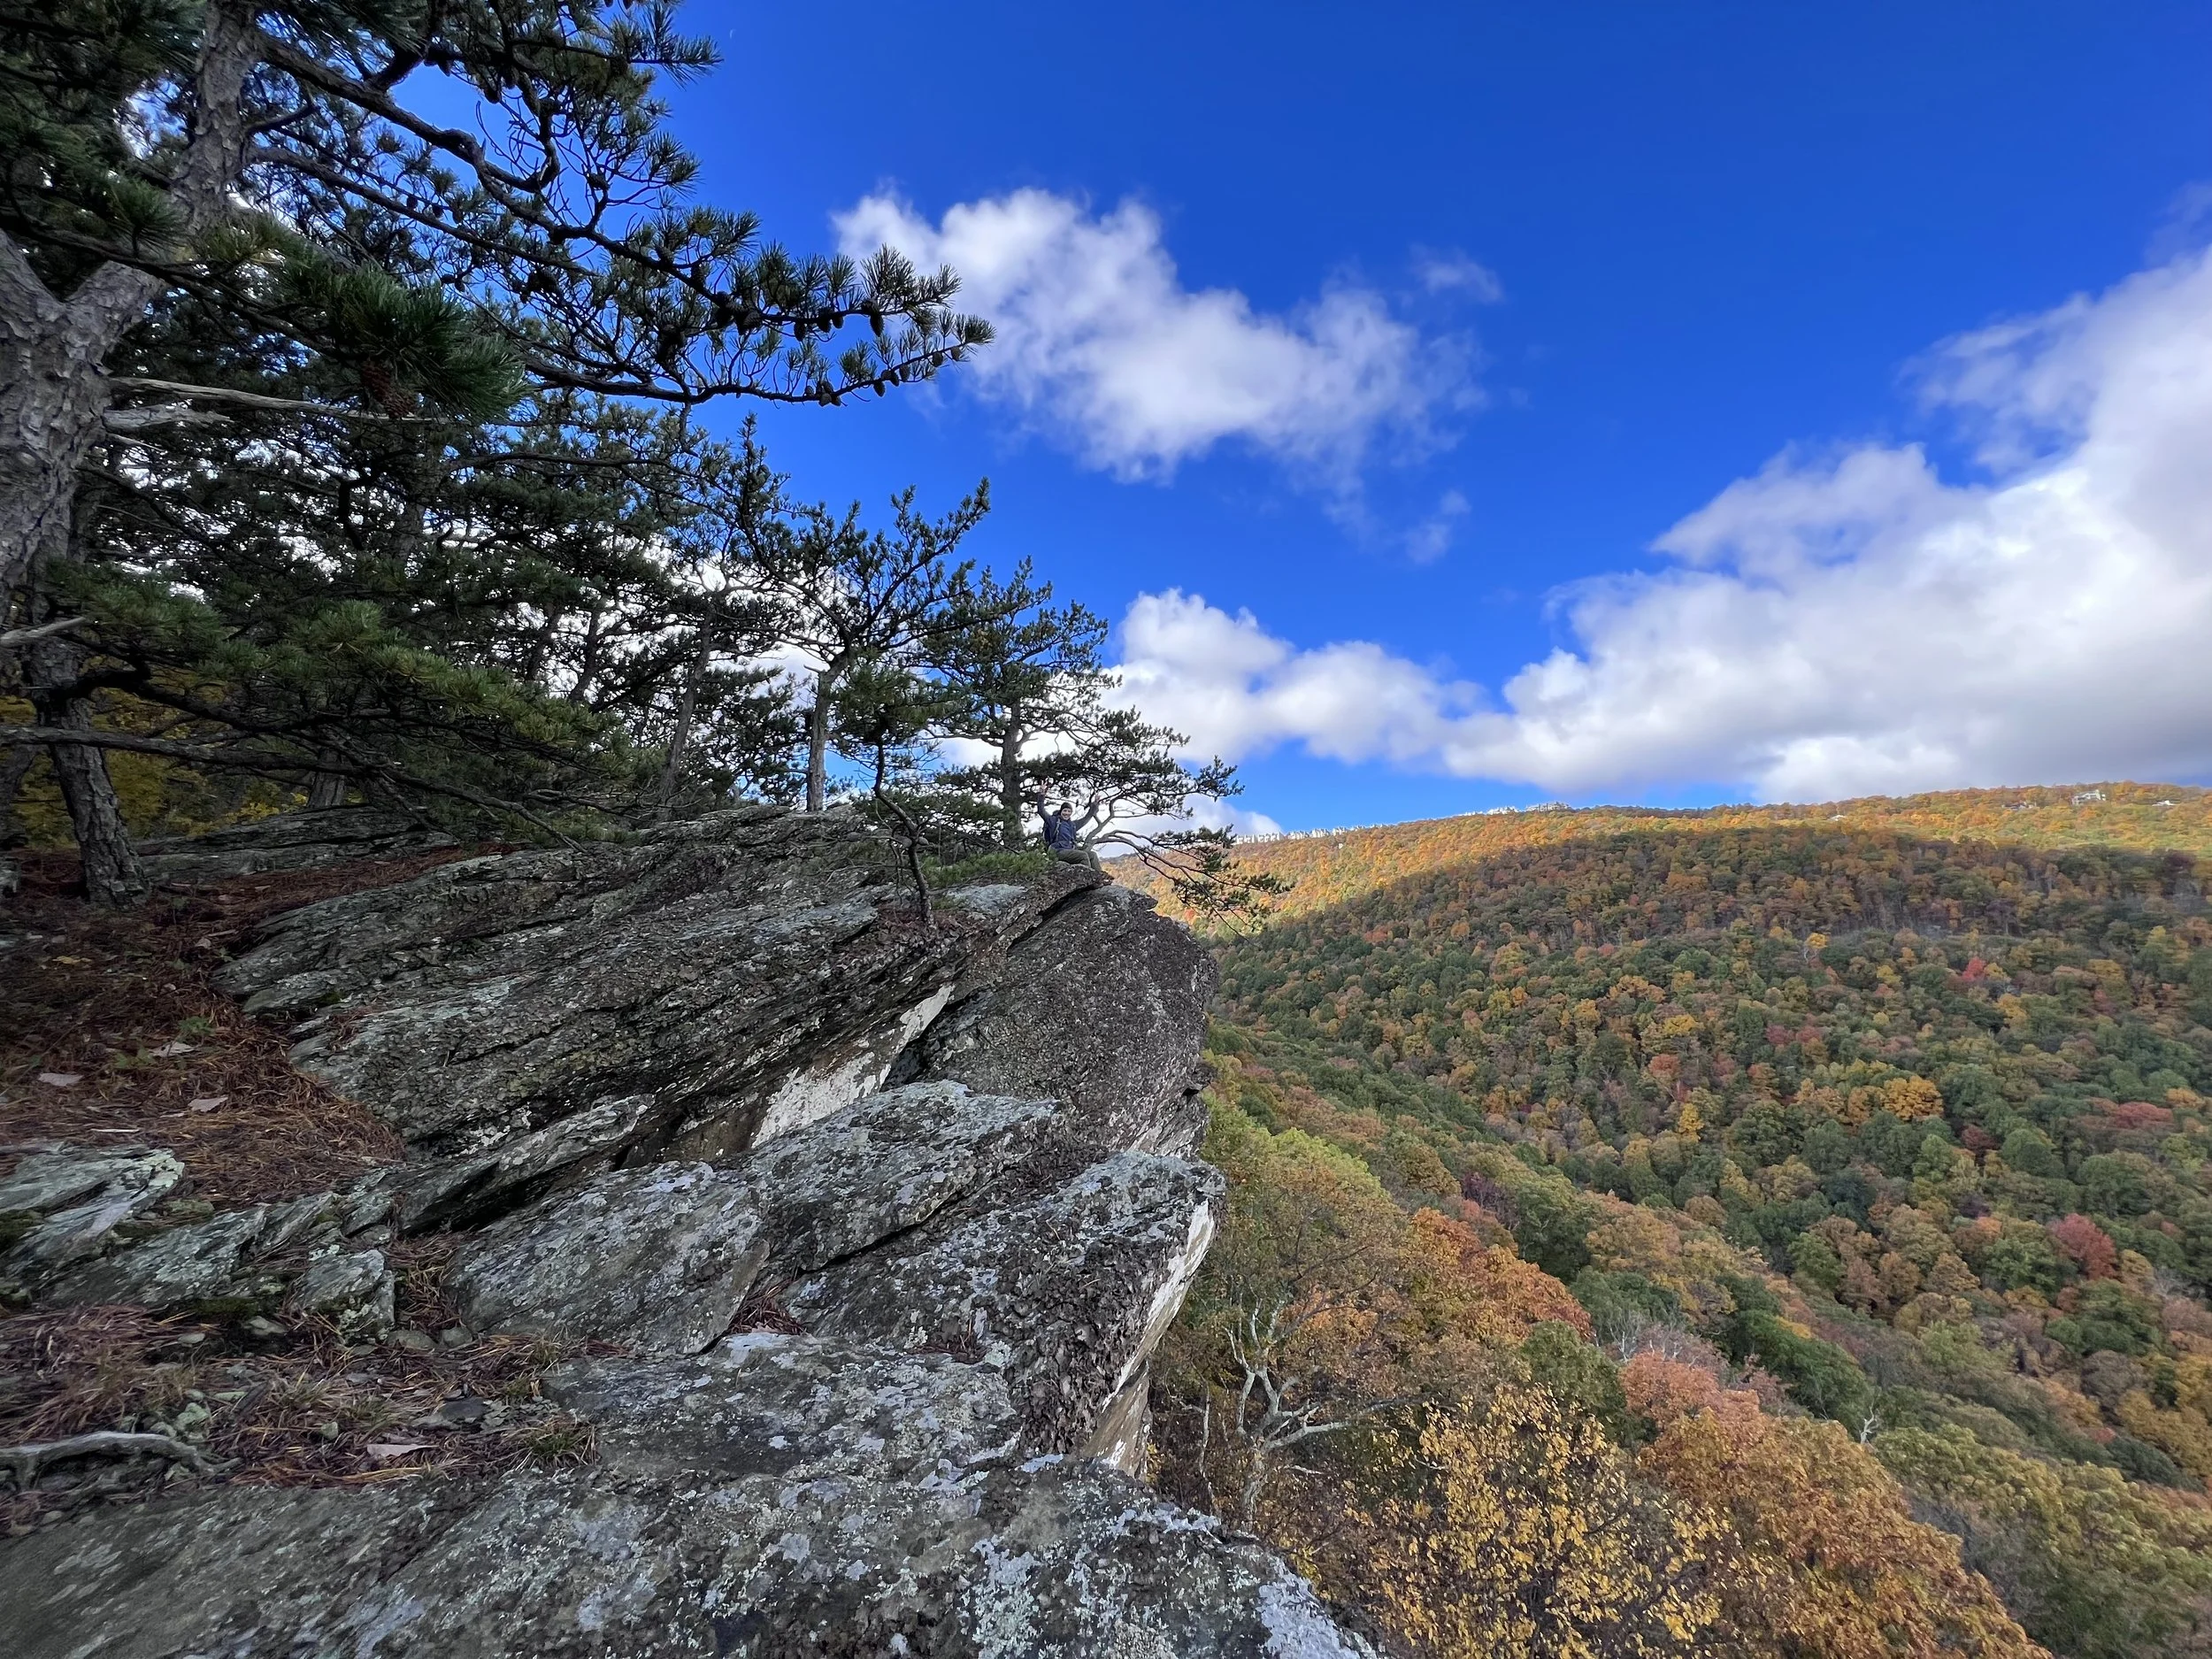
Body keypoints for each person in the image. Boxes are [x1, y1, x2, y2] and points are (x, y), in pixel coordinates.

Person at [1040, 798, 1101, 871]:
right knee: (1083, 855)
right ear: (1061, 811)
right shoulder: (1053, 821)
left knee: (1092, 855)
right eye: (1065, 811)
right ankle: (1086, 878)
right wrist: (1041, 795)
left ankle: (1100, 879)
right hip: (1057, 851)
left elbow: (1086, 818)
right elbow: (1041, 811)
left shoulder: (1072, 825)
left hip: (1069, 850)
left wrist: (1095, 804)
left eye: (1069, 811)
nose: (1067, 813)